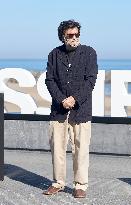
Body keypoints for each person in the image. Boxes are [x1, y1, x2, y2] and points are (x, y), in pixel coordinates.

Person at [43, 19, 98, 198]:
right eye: (70, 35)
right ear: (63, 36)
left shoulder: (89, 53)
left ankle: (80, 185)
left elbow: (90, 80)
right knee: (57, 149)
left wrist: (74, 99)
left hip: (81, 110)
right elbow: (49, 80)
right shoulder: (53, 54)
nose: (74, 37)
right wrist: (61, 100)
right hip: (58, 111)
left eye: (76, 34)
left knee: (81, 150)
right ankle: (58, 183)